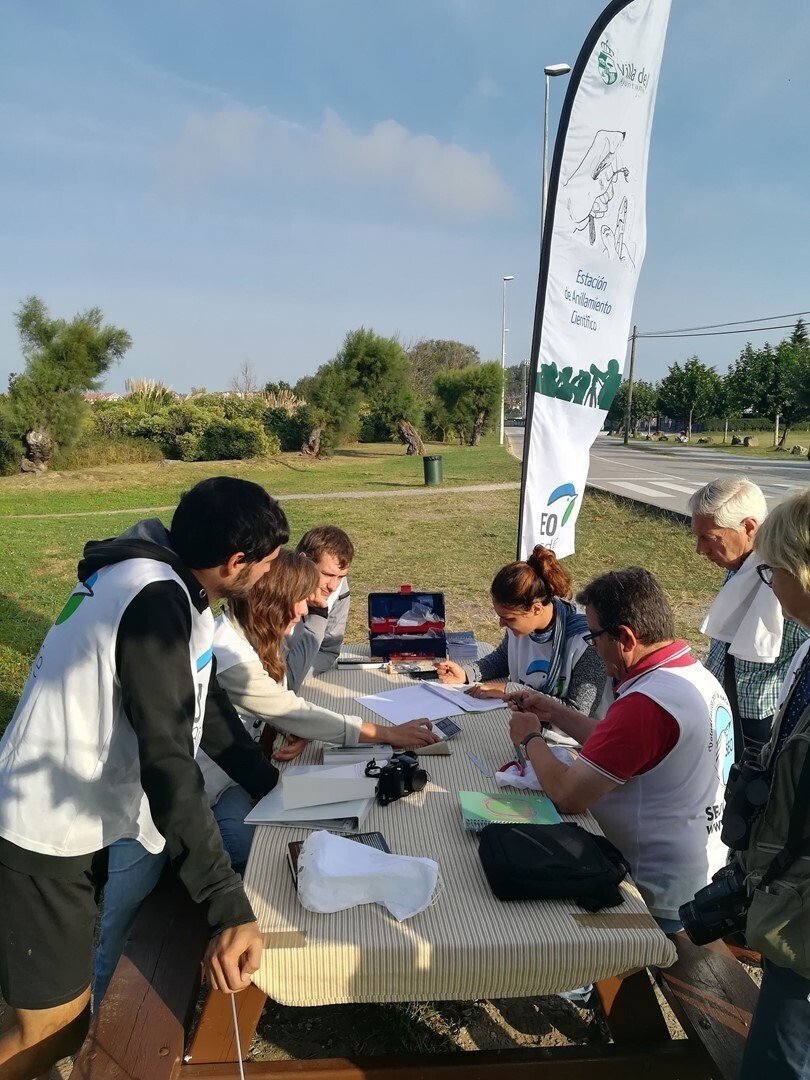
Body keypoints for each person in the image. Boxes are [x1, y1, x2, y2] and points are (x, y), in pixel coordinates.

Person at [0, 477, 289, 1078]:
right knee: (49, 1031)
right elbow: (169, 762)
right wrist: (226, 903)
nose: (269, 576)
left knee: (58, 1023)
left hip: (69, 812)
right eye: (266, 565)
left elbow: (206, 710)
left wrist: (274, 787)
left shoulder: (170, 582)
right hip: (41, 827)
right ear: (235, 561)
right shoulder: (154, 598)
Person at [93, 549, 438, 1005]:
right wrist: (385, 733)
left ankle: (249, 959)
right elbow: (286, 707)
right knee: (123, 916)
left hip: (221, 790)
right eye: (299, 602)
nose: (305, 611)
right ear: (269, 602)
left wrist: (278, 735)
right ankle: (100, 1014)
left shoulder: (254, 640)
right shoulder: (227, 651)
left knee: (269, 861)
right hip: (155, 807)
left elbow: (269, 715)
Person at [508, 567, 734, 930]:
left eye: (594, 637)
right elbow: (620, 742)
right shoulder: (690, 674)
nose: (593, 648)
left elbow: (566, 795)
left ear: (626, 637)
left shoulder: (648, 703)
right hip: (693, 868)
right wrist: (554, 712)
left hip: (649, 889)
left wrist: (531, 737)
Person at [732, 490, 810, 1079]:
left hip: (802, 909)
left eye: (772, 569)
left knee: (780, 1061)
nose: (770, 583)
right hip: (790, 889)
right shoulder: (806, 647)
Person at [435, 545, 609, 742]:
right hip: (529, 727)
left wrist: (511, 690)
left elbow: (578, 715)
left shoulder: (587, 644)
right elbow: (503, 657)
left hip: (572, 745)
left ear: (536, 609)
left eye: (508, 618)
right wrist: (467, 673)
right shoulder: (524, 627)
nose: (501, 624)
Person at [689, 476, 808, 753]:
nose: (700, 550)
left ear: (749, 527)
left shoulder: (787, 577)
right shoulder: (738, 569)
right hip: (718, 705)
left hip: (757, 724)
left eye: (708, 538)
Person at [284, 526, 354, 694]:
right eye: (327, 574)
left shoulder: (339, 589)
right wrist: (318, 615)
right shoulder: (272, 589)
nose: (333, 586)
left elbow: (328, 651)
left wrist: (298, 670)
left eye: (341, 576)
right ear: (302, 562)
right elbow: (284, 681)